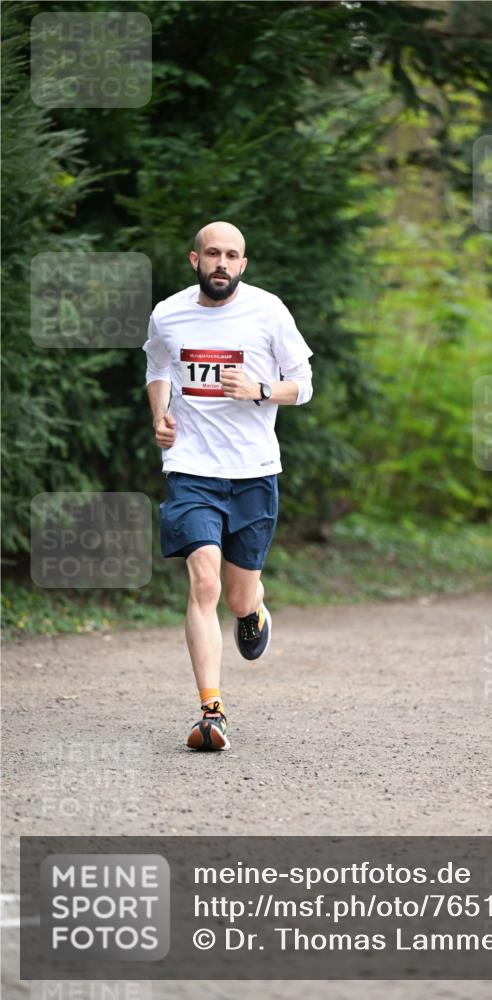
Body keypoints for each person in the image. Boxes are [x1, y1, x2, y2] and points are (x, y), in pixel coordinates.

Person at [142, 221, 313, 751]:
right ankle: (211, 713)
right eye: (212, 253)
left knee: (237, 596)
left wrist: (260, 389)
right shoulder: (169, 313)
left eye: (231, 255)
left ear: (244, 263)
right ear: (194, 259)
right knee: (204, 584)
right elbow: (158, 364)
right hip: (191, 468)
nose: (222, 263)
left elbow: (303, 386)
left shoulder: (268, 310)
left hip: (254, 472)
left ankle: (254, 609)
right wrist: (160, 414)